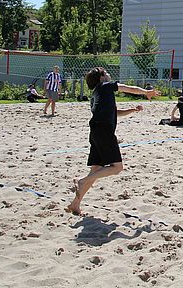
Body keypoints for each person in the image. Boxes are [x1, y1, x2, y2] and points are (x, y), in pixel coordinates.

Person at [67, 67, 159, 215]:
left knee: (95, 170)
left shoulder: (96, 94)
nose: (109, 74)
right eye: (106, 73)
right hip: (104, 132)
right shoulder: (106, 86)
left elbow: (115, 113)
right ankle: (82, 180)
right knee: (117, 167)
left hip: (95, 132)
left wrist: (132, 110)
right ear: (102, 77)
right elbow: (129, 88)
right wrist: (146, 92)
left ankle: (75, 204)